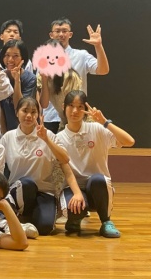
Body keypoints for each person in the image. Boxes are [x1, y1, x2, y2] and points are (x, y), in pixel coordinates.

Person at [0, 97, 83, 236]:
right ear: (17, 113)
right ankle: (16, 215)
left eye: (33, 112)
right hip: (20, 190)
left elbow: (65, 159)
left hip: (44, 192)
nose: (29, 115)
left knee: (45, 228)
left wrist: (46, 140)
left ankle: (23, 219)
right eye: (25, 111)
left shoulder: (48, 135)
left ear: (38, 115)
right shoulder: (8, 137)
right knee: (27, 183)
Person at [57, 90, 135, 238]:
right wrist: (77, 193)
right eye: (71, 106)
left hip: (98, 188)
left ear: (85, 109)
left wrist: (105, 122)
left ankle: (106, 221)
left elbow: (129, 141)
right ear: (63, 107)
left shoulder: (97, 129)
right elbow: (66, 171)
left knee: (98, 179)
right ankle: (75, 219)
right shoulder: (59, 138)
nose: (75, 111)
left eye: (80, 107)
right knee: (74, 209)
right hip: (74, 189)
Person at [40, 17, 110, 132]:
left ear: (70, 34)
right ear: (51, 35)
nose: (61, 34)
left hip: (77, 115)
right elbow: (41, 94)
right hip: (51, 117)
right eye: (57, 31)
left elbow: (103, 70)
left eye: (64, 31)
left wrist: (98, 46)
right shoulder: (44, 61)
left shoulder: (81, 56)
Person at [0, 39, 37, 132]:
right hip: (8, 131)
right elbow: (1, 109)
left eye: (15, 56)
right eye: (7, 55)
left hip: (27, 130)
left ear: (23, 58)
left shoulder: (30, 78)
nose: (10, 60)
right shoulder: (0, 77)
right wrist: (4, 134)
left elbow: (19, 106)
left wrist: (17, 80)